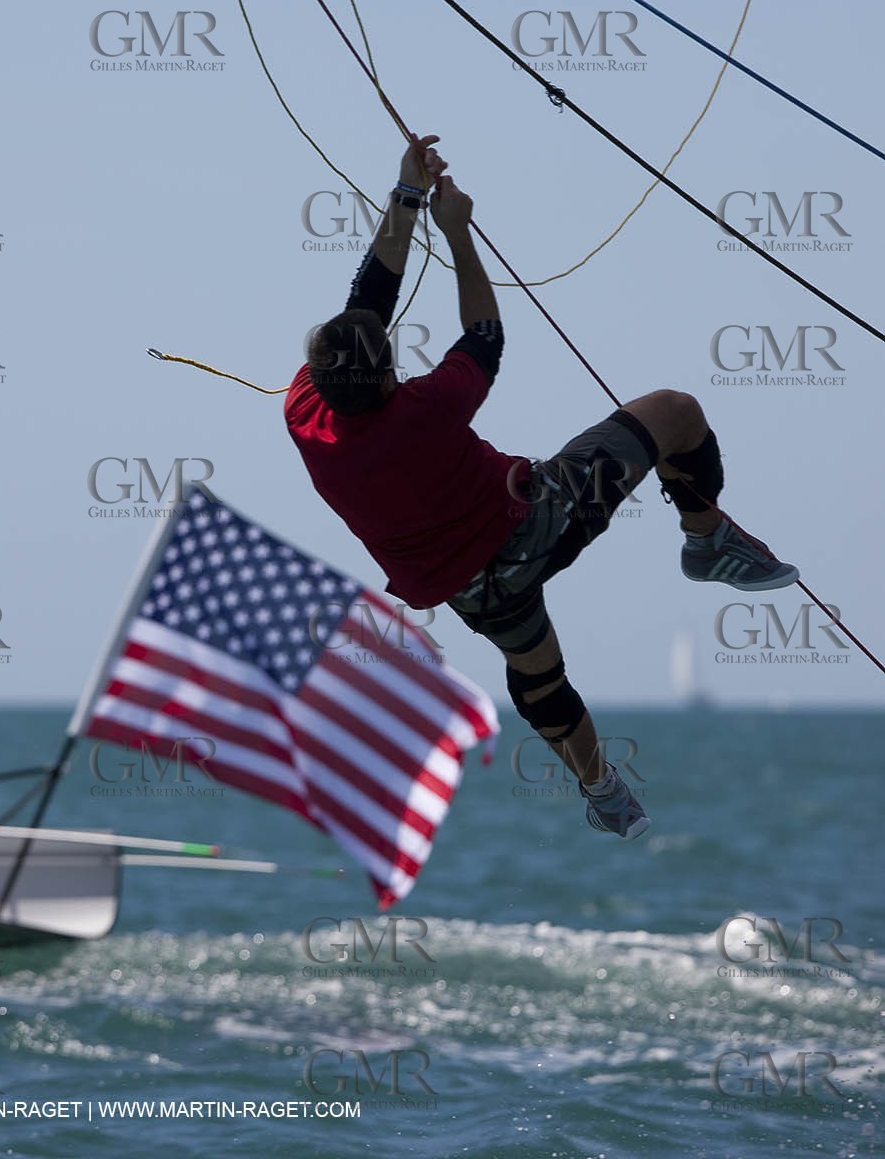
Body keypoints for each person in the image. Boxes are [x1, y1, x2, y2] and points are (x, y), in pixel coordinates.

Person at [284, 135, 799, 840]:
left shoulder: (305, 414)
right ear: (382, 378)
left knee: (538, 672)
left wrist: (405, 196)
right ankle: (704, 539)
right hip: (540, 522)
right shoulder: (424, 408)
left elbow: (365, 301)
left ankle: (602, 790)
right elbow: (485, 332)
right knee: (674, 413)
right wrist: (456, 232)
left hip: (473, 588)